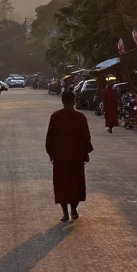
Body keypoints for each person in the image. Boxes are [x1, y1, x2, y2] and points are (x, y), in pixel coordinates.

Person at [45, 90, 93, 221]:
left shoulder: (56, 117)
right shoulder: (80, 117)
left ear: (62, 101)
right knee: (75, 184)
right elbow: (86, 137)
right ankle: (74, 210)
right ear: (74, 101)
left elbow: (50, 138)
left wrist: (51, 153)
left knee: (62, 185)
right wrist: (85, 153)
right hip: (76, 157)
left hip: (61, 157)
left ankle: (65, 212)